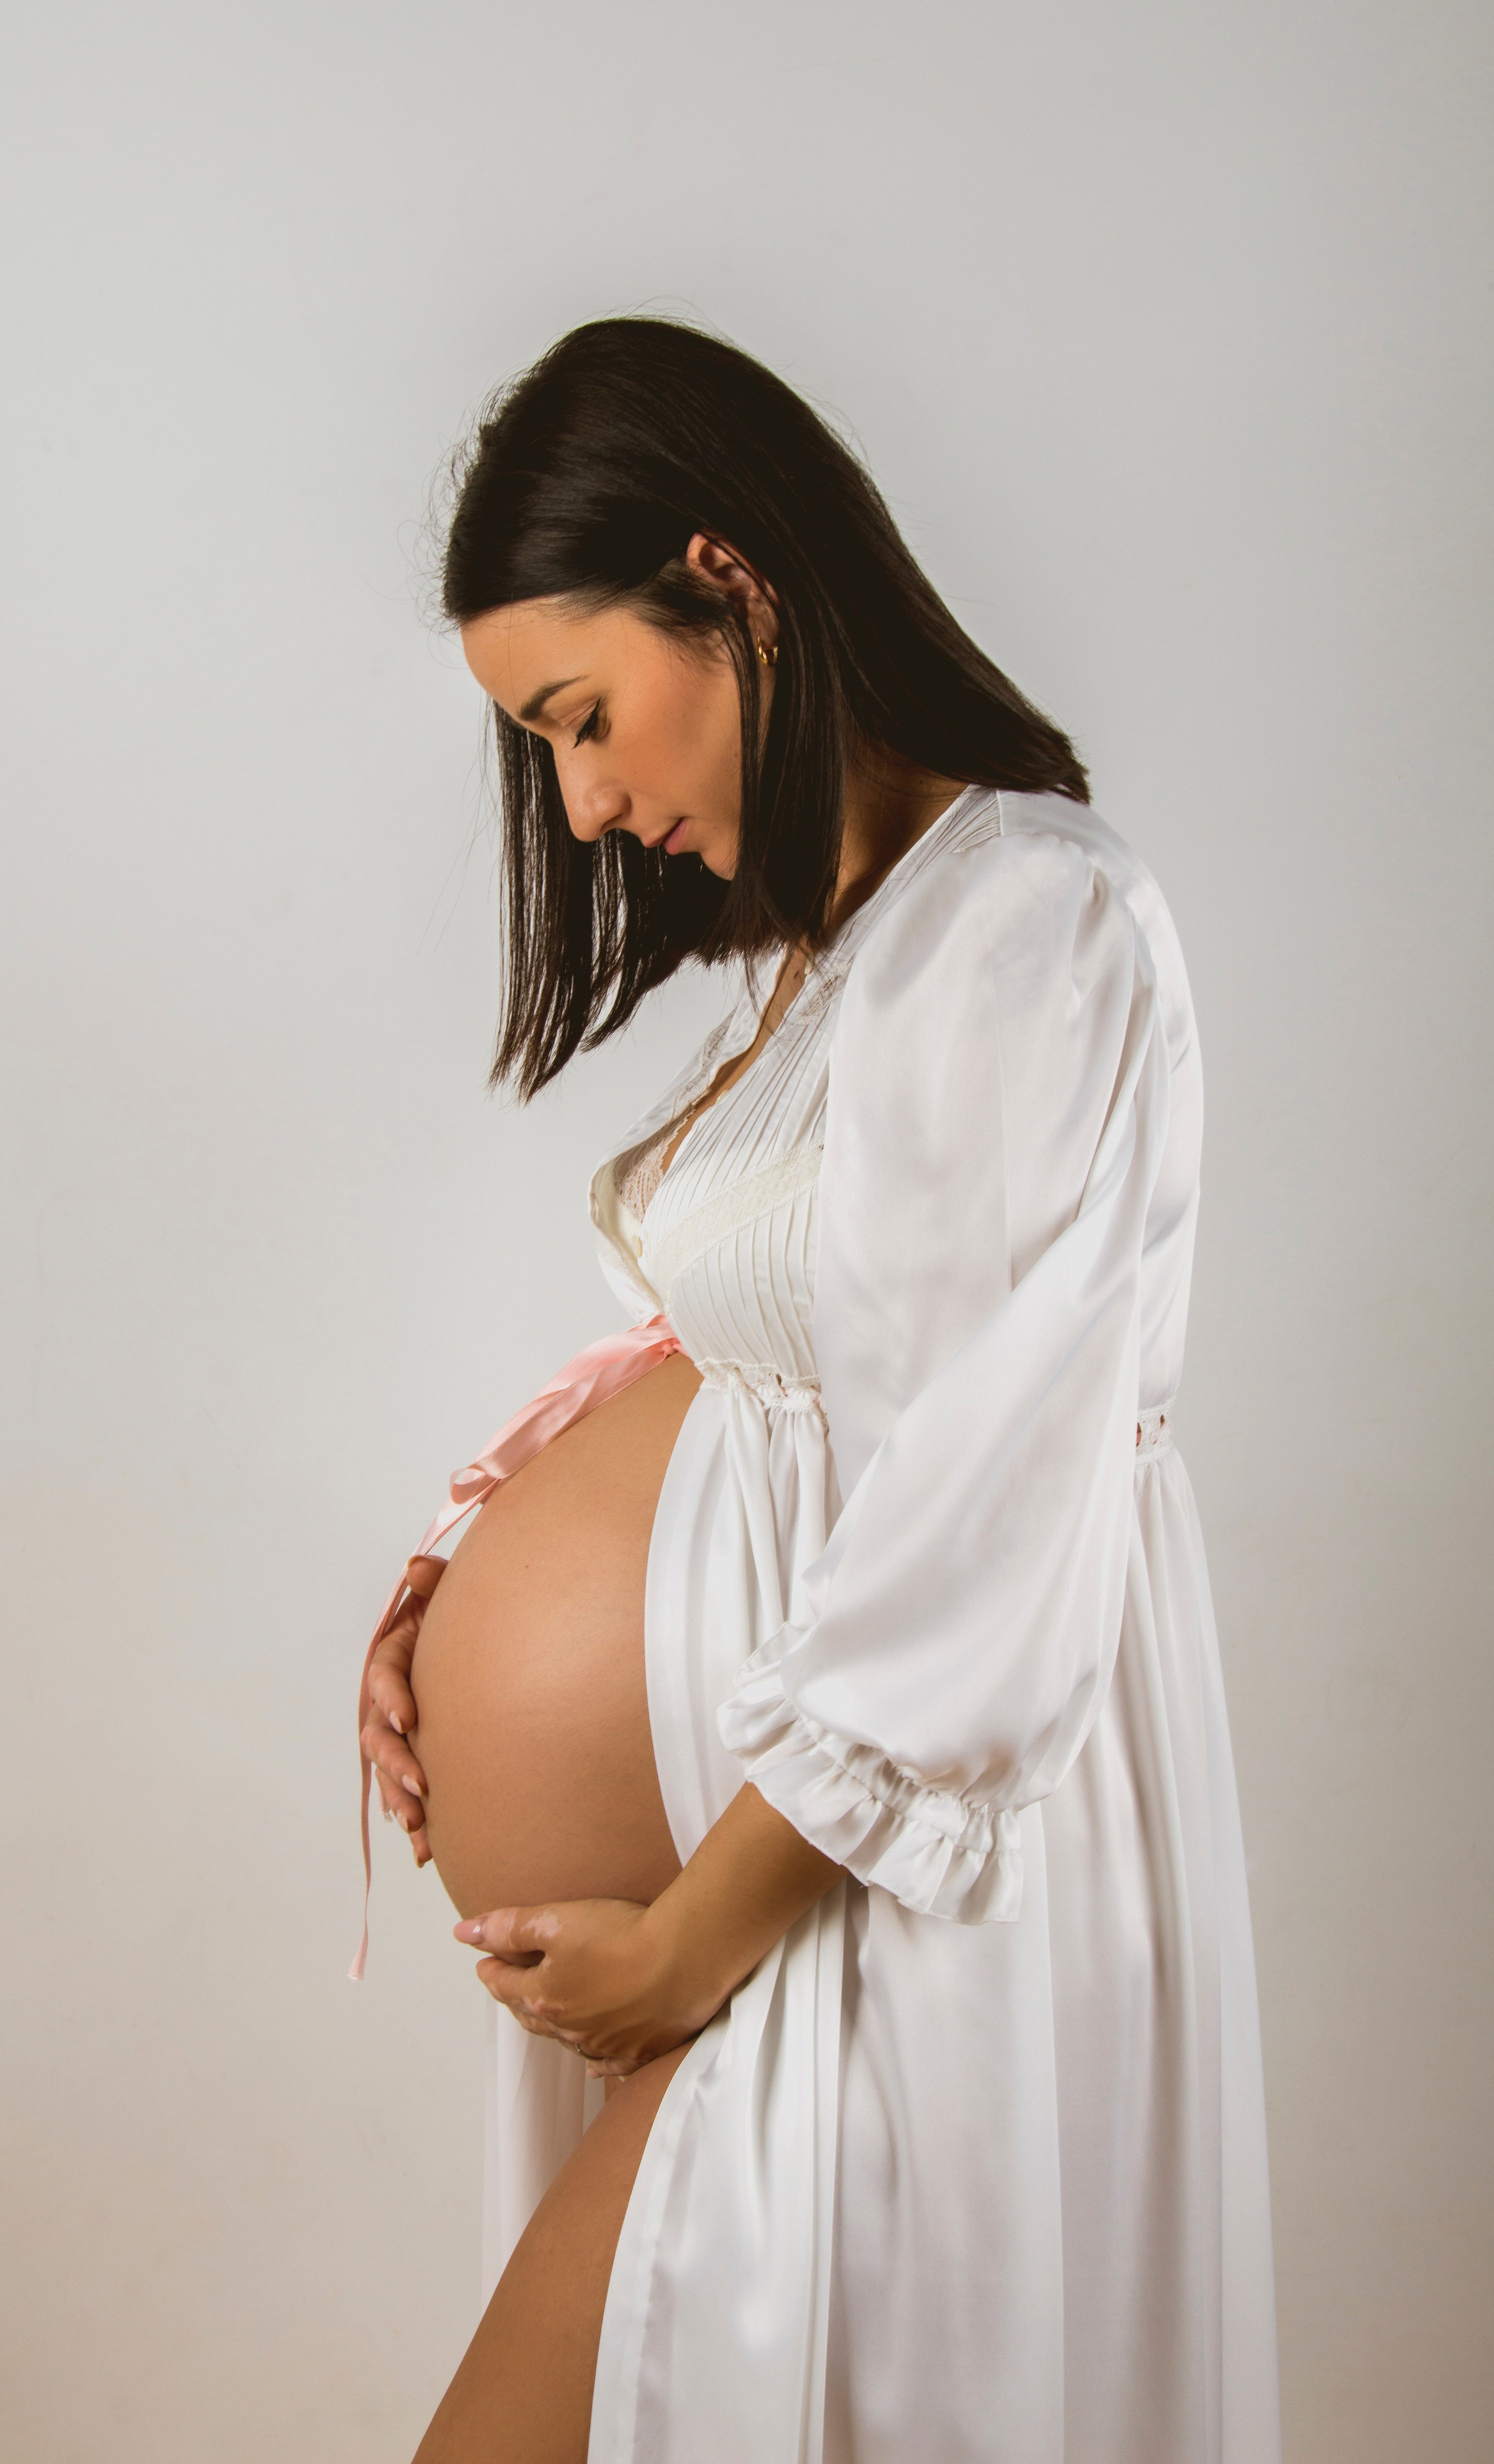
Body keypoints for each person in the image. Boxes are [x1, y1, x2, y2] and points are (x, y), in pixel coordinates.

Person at [356, 317, 1281, 2464]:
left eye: (585, 718)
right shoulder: (834, 957)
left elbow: (986, 1505)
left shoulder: (1033, 918)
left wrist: (694, 1933)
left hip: (863, 1908)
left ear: (733, 580)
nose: (583, 801)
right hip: (764, 1912)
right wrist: (458, 1574)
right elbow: (754, 1366)